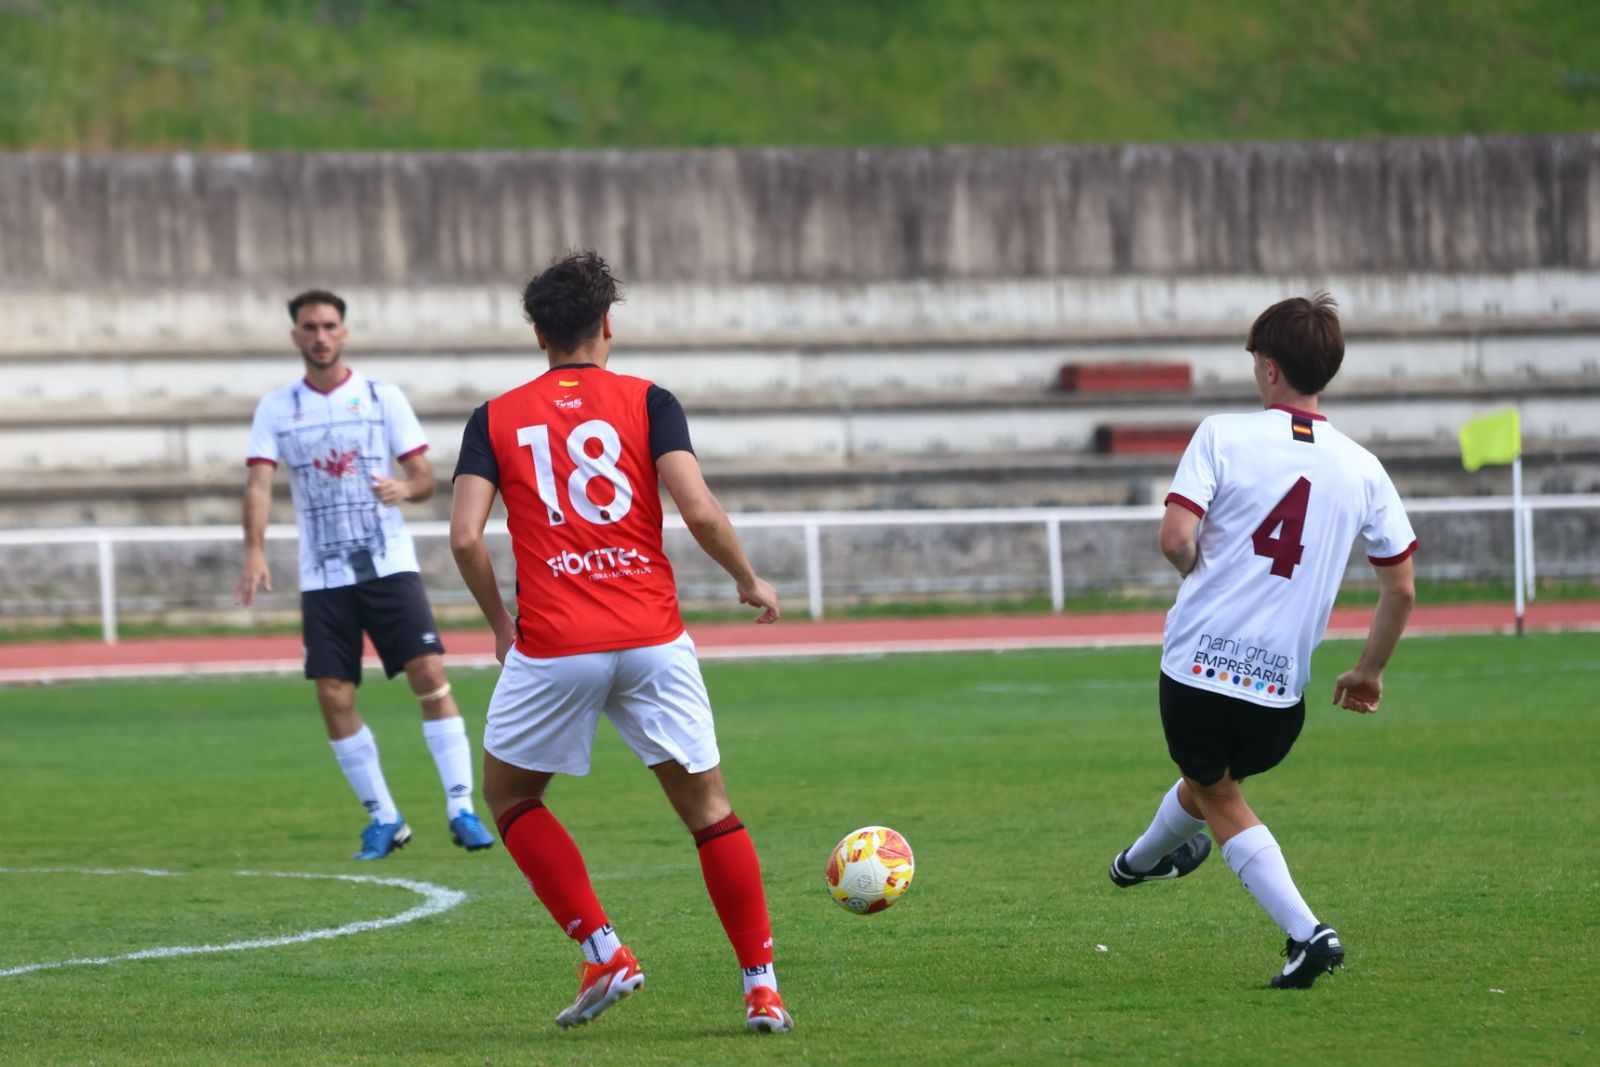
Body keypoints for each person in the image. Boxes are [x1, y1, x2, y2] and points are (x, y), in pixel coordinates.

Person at [449, 251, 793, 1034]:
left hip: (556, 643)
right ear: (608, 323)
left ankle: (603, 948)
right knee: (710, 811)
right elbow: (698, 510)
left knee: (510, 797)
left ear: (538, 333)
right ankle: (762, 986)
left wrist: (501, 624)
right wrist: (747, 578)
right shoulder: (650, 400)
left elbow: (465, 537)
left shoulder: (493, 418)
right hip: (651, 637)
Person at [1107, 292, 1417, 988]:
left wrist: (1200, 571)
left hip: (1199, 667)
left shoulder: (1222, 433)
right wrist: (1368, 671)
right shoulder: (1364, 467)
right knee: (1209, 783)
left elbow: (1176, 537)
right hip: (1281, 691)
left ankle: (1309, 934)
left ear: (1269, 368)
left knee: (1219, 797)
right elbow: (1400, 588)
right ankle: (1137, 862)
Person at [234, 289, 495, 861]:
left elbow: (424, 478)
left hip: (388, 564)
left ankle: (461, 808)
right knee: (333, 695)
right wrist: (253, 549)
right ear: (296, 336)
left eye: (330, 326)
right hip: (323, 575)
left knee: (430, 673)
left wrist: (404, 488)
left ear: (344, 333)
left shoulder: (382, 396)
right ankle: (384, 818)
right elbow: (258, 484)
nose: (321, 336)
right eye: (310, 327)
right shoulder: (276, 408)